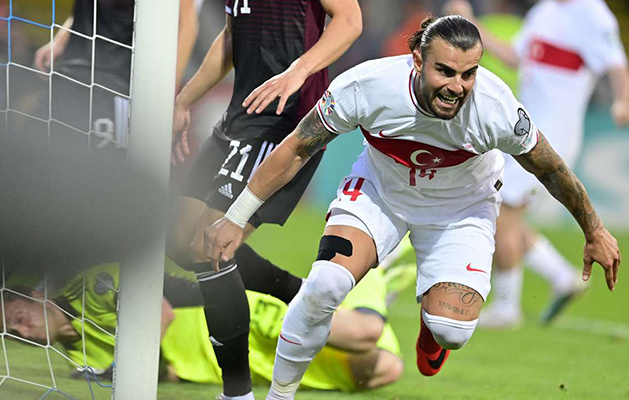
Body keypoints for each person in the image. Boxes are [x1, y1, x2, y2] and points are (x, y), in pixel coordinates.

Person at [203, 15, 621, 399]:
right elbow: (297, 147)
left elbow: (551, 169)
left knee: (451, 331)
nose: (457, 87)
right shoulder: (367, 86)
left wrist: (595, 230)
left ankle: (431, 327)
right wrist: (236, 217)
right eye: (445, 71)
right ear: (418, 60)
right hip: (381, 193)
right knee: (325, 285)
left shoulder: (496, 108)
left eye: (469, 74)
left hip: (462, 207)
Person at [168, 0, 362, 398]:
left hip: (285, 124)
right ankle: (298, 293)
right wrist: (184, 100)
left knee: (210, 246)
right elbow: (230, 38)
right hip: (236, 120)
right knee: (178, 240)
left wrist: (298, 70)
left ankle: (237, 393)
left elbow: (350, 20)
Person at [445, 0, 629, 328]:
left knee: (500, 212)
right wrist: (470, 26)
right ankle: (560, 276)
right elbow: (514, 56)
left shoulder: (591, 12)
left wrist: (623, 101)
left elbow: (615, 61)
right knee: (497, 209)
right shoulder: (544, 11)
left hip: (552, 135)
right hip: (524, 130)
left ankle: (507, 307)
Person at [0, 263, 403, 393]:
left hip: (241, 321)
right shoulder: (78, 358)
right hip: (235, 365)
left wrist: (123, 371)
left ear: (32, 294)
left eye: (17, 315)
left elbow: (161, 312)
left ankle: (369, 271)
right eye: (12, 332)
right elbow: (165, 372)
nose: (22, 329)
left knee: (365, 333)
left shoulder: (90, 285)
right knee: (384, 370)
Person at [32, 0, 200, 153]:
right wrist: (59, 40)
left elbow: (186, 22)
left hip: (114, 86)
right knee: (37, 155)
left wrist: (168, 98)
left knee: (93, 167)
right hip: (70, 71)